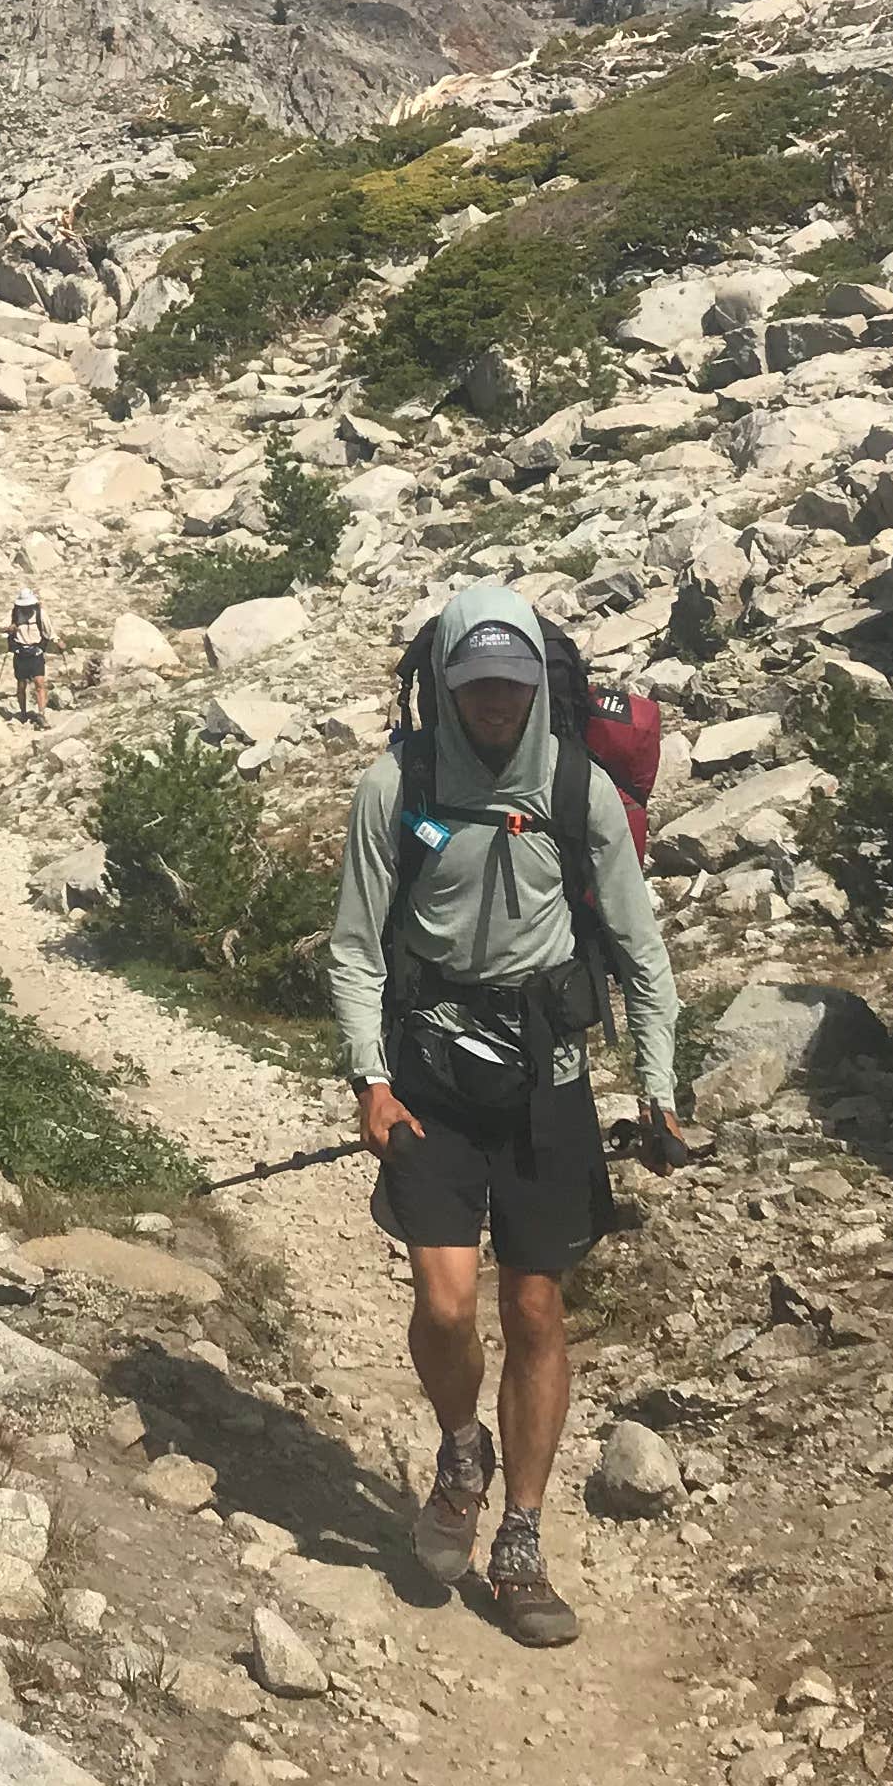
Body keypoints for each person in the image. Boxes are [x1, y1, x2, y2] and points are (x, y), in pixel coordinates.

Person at [324, 578, 697, 1646]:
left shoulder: (576, 789)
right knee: (445, 1305)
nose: (496, 702)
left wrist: (659, 1091)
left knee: (535, 1310)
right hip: (430, 1074)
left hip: (548, 1078)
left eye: (514, 684)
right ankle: (460, 1448)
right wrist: (370, 1078)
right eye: (477, 684)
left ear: (538, 684)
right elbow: (354, 949)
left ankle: (521, 1539)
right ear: (444, 685)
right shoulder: (389, 789)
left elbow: (638, 950)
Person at [5, 587, 53, 725]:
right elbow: (1, 628)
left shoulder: (40, 614)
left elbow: (48, 631)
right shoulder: (14, 614)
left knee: (40, 683)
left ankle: (41, 713)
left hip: (35, 652)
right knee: (21, 686)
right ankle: (23, 713)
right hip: (20, 652)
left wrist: (46, 645)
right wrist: (9, 629)